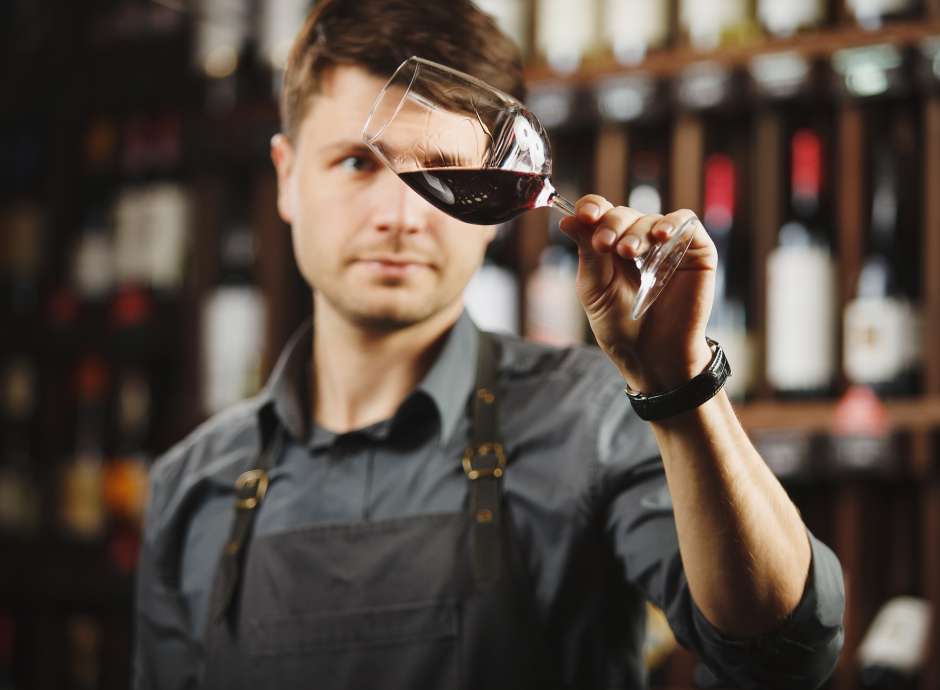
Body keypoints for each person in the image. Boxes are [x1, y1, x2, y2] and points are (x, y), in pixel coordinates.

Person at [133, 1, 845, 688]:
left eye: (440, 168)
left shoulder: (594, 419)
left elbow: (783, 656)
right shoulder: (190, 485)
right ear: (287, 177)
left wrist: (681, 386)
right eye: (356, 163)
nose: (399, 215)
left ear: (494, 206)